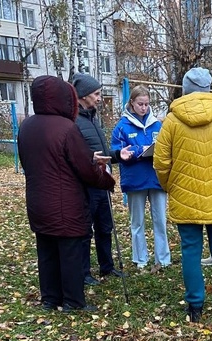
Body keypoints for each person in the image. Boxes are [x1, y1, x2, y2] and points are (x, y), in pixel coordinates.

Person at [153, 67, 212, 322]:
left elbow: (161, 162)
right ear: (207, 90)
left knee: (191, 251)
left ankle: (195, 306)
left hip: (185, 197)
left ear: (186, 89)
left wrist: (170, 186)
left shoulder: (172, 121)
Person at [18, 75, 115, 312]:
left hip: (38, 200)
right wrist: (105, 179)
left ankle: (50, 298)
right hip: (66, 203)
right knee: (70, 251)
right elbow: (83, 167)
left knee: (47, 251)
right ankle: (73, 301)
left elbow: (29, 162)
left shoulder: (26, 126)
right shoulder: (66, 128)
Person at [72, 73, 129, 285]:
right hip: (86, 186)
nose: (98, 98)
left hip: (102, 183)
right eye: (96, 94)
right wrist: (90, 160)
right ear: (84, 95)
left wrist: (116, 155)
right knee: (85, 230)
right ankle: (84, 272)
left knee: (105, 227)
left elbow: (101, 153)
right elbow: (76, 155)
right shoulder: (73, 121)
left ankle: (107, 267)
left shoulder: (92, 118)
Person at [112, 85, 171, 272]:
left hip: (155, 178)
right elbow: (119, 152)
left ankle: (163, 258)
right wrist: (139, 150)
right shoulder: (122, 127)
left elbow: (165, 147)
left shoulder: (157, 124)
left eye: (146, 104)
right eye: (140, 104)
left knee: (160, 220)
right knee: (137, 222)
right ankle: (141, 259)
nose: (144, 108)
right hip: (134, 179)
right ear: (132, 103)